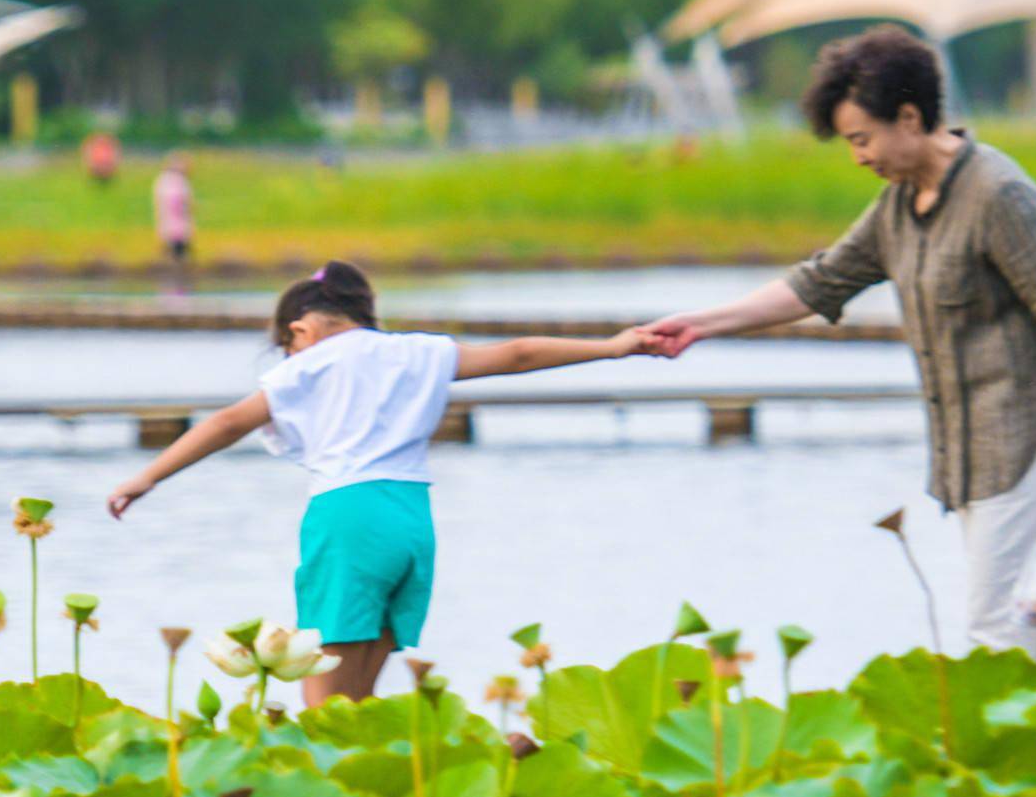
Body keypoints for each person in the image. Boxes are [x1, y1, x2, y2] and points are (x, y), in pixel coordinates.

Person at [639, 25, 1036, 657]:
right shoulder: (900, 205)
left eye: (861, 138)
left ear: (910, 118)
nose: (858, 157)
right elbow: (819, 282)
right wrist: (700, 324)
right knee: (1012, 630)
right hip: (967, 455)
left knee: (999, 633)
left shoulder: (998, 195)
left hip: (1028, 447)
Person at [107, 262, 662, 706]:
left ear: (300, 330)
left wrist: (147, 477)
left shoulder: (309, 365)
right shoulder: (420, 352)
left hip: (347, 515)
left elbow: (229, 422)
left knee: (324, 707)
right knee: (361, 700)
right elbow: (518, 354)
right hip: (411, 521)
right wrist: (614, 347)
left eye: (288, 346)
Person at [151, 152, 197, 276]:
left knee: (174, 243)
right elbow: (180, 201)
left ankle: (175, 267)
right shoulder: (176, 181)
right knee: (178, 244)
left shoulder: (163, 180)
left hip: (170, 220)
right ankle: (178, 268)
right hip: (176, 221)